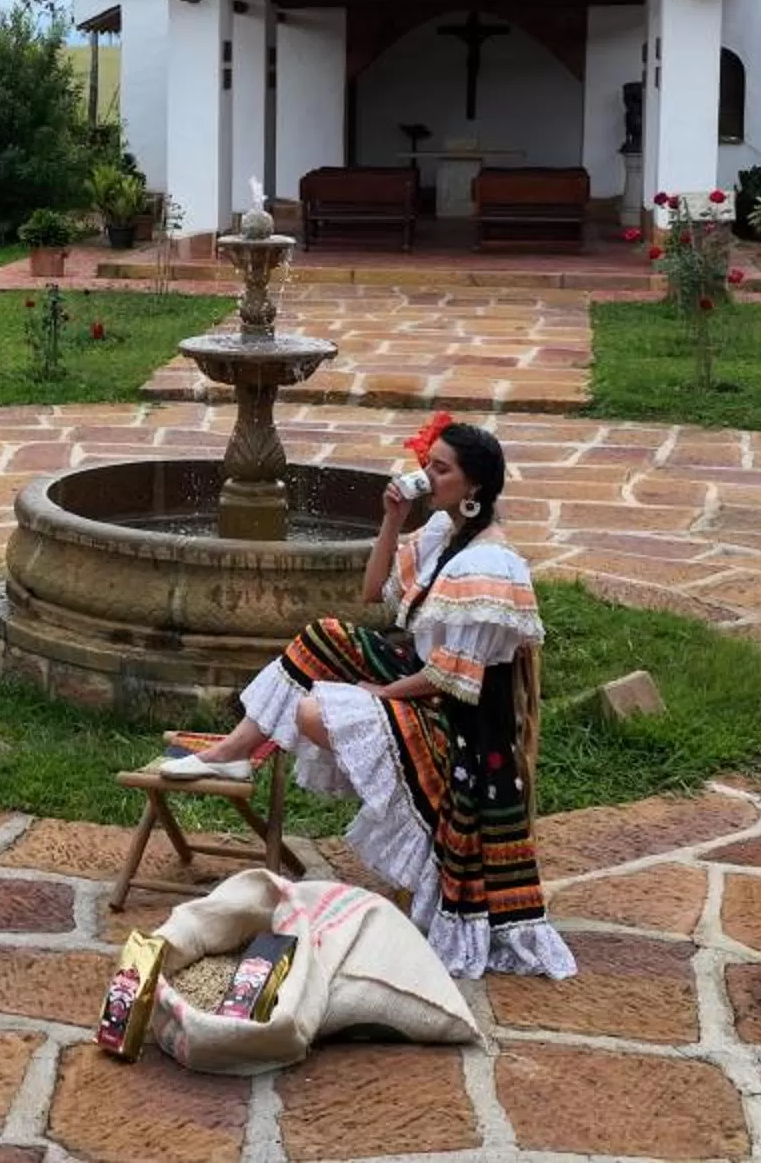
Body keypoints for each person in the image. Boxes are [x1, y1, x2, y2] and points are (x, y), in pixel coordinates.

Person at [155, 416, 573, 979]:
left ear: (473, 487)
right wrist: (393, 516)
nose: (428, 475)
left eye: (440, 469)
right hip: (431, 687)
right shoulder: (443, 535)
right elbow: (372, 591)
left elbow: (455, 678)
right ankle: (235, 750)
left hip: (464, 724)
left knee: (312, 711)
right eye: (429, 464)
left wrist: (379, 692)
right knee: (326, 633)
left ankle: (242, 753)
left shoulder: (488, 564)